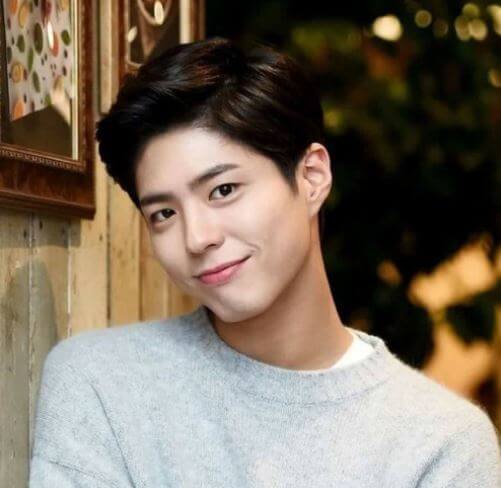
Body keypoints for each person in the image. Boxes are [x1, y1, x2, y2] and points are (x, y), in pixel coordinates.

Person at [29, 36, 500, 487]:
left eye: (223, 190)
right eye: (164, 214)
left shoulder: (442, 445)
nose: (197, 238)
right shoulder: (101, 384)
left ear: (312, 177)